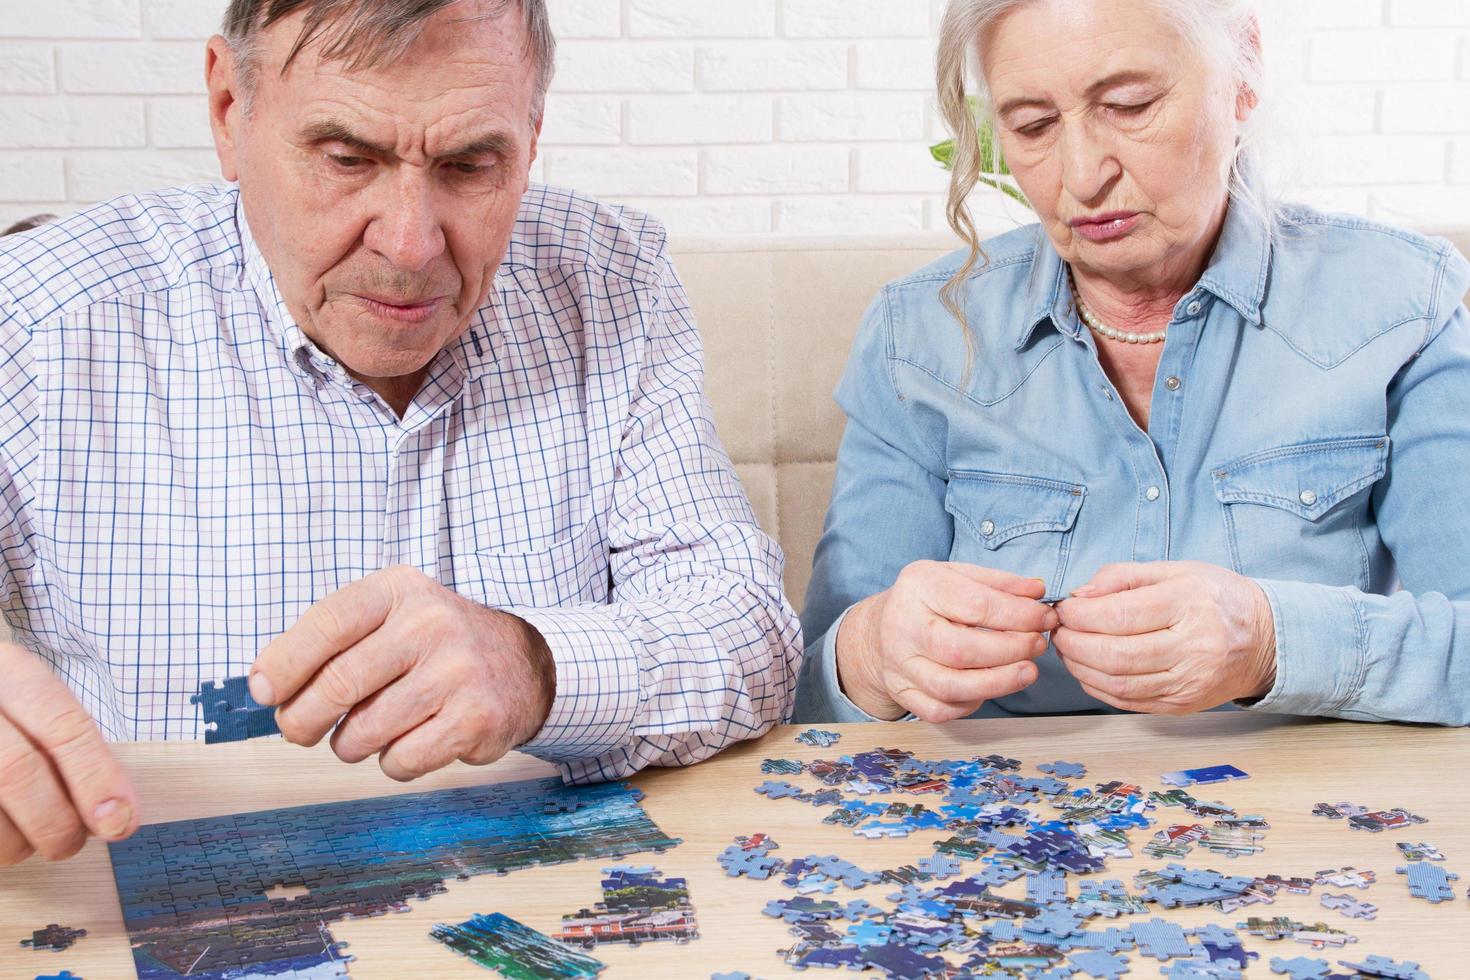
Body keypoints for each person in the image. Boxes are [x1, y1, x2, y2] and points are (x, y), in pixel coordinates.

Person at [0, 0, 800, 867]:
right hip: (184, 905)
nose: (412, 244)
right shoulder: (40, 316)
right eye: (346, 158)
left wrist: (539, 668)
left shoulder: (610, 281)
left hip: (548, 903)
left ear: (532, 139)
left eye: (469, 164)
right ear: (232, 111)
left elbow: (747, 629)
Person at [796, 0, 1470, 729]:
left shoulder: (1401, 303)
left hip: (1308, 823)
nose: (1083, 176)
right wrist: (872, 654)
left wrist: (1270, 643)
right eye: (1032, 126)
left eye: (1128, 106)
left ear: (1242, 73)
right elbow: (810, 699)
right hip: (1008, 824)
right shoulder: (918, 337)